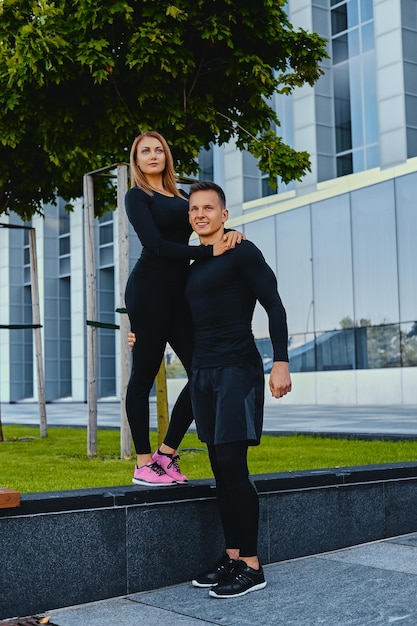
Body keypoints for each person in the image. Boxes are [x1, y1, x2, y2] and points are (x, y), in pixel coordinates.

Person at [185, 181, 292, 599]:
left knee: (233, 465)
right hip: (204, 371)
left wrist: (280, 361)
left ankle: (251, 564)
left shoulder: (241, 250)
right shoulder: (195, 262)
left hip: (237, 367)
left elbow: (274, 304)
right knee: (218, 466)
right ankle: (232, 554)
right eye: (194, 209)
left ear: (224, 215)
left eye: (208, 208)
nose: (200, 214)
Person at [124, 131, 244, 487]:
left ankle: (166, 453)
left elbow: (205, 221)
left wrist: (229, 233)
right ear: (137, 160)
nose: (153, 155)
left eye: (158, 149)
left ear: (166, 156)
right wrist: (208, 253)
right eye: (145, 151)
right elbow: (156, 245)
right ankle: (143, 464)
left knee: (203, 372)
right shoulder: (137, 196)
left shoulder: (181, 196)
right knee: (143, 376)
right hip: (148, 291)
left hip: (179, 293)